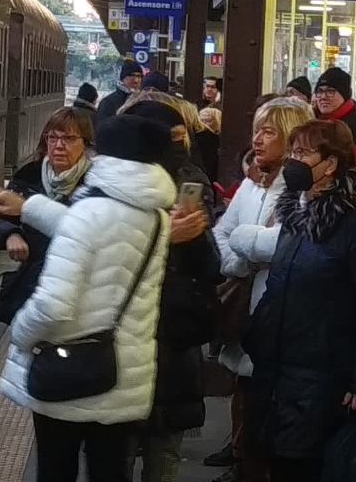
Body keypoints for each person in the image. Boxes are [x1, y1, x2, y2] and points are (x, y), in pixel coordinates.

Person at [0, 114, 176, 482]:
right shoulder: (155, 217)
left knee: (56, 470)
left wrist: (21, 334)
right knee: (109, 471)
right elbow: (97, 230)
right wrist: (28, 207)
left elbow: (52, 305)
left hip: (68, 371)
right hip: (123, 372)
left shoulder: (89, 213)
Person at [242, 120, 356, 482]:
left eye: (304, 153)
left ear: (331, 164)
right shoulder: (295, 216)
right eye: (292, 152)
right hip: (280, 375)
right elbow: (279, 285)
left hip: (326, 379)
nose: (294, 161)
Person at [208, 97, 313, 481]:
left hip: (280, 316)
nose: (257, 140)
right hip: (245, 312)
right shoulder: (253, 183)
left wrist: (242, 242)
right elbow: (221, 234)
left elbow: (283, 243)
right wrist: (241, 261)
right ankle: (242, 461)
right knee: (245, 393)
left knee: (269, 409)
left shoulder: (302, 189)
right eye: (257, 130)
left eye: (268, 132)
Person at [119, 94, 222, 482]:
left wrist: (194, 238)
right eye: (173, 137)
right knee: (119, 454)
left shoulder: (191, 182)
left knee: (163, 450)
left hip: (174, 338)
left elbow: (211, 267)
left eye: (183, 137)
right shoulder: (108, 188)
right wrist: (164, 237)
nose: (180, 146)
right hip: (125, 341)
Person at [0, 108, 95, 322]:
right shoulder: (29, 176)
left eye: (69, 139)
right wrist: (11, 234)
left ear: (85, 144)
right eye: (52, 138)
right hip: (33, 287)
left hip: (78, 293)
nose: (58, 146)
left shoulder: (94, 184)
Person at [312, 67, 356, 176]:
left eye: (330, 91)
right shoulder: (318, 120)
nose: (323, 97)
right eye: (319, 91)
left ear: (344, 95)